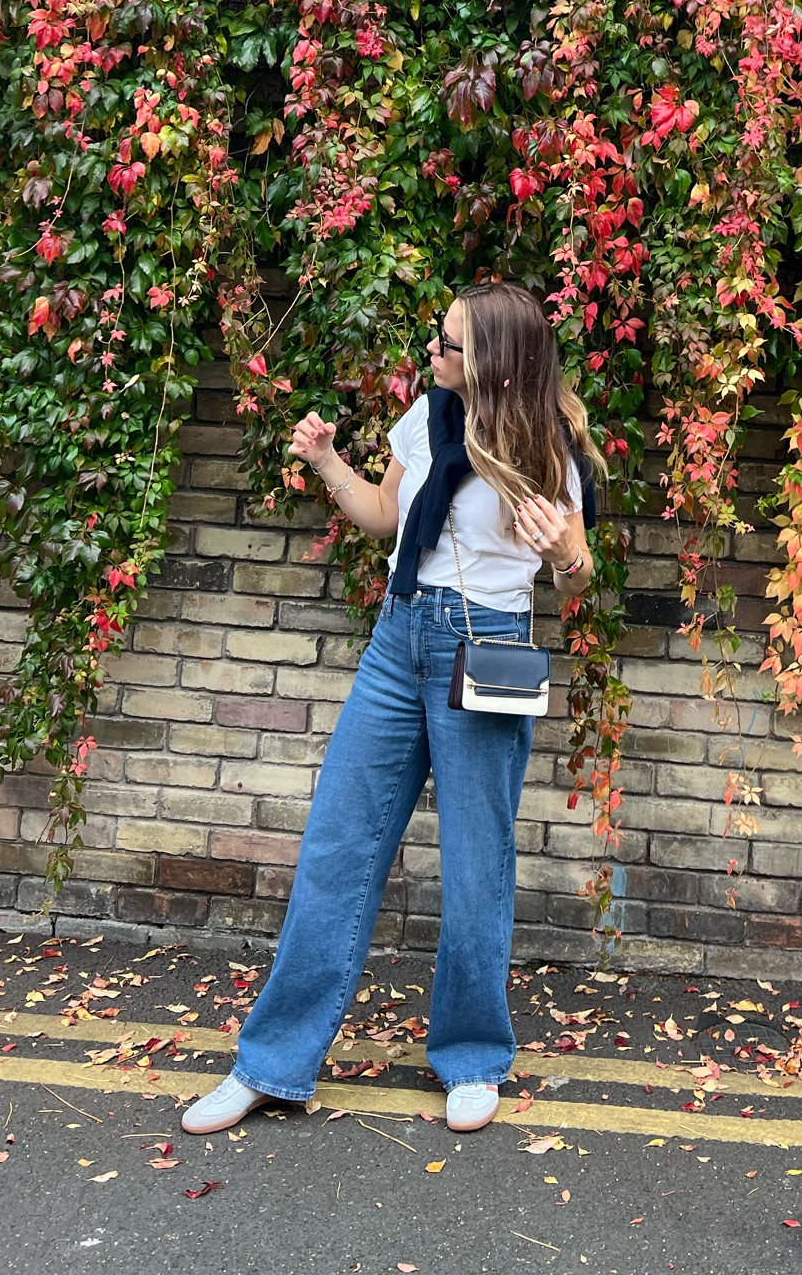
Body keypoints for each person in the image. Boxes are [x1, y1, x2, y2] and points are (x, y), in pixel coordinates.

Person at [181, 281, 602, 1136]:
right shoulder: (425, 418)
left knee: (475, 863)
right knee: (338, 844)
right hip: (398, 637)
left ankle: (473, 1057)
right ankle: (271, 1065)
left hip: (482, 646)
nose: (432, 355)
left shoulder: (548, 451)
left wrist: (568, 557)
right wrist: (330, 463)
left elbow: (577, 568)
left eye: (446, 344)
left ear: (492, 360)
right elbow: (383, 514)